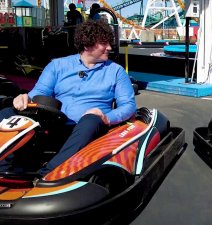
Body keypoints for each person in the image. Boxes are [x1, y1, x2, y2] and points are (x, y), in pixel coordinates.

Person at [0, 20, 136, 177]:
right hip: (55, 125)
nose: (110, 48)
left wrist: (106, 117)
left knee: (91, 119)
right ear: (87, 45)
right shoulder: (58, 66)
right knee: (7, 112)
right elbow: (40, 91)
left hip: (90, 129)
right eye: (104, 44)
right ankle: (4, 169)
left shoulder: (116, 71)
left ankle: (47, 175)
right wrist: (24, 98)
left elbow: (128, 106)